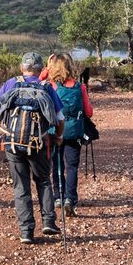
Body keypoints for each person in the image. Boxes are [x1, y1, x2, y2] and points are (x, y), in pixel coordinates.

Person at [0, 52, 64, 244]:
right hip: (40, 143)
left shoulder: (11, 83)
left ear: (22, 68)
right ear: (40, 71)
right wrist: (58, 137)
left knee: (20, 186)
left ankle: (26, 231)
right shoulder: (46, 87)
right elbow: (60, 118)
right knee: (43, 180)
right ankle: (48, 222)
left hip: (12, 143)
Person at [44, 53, 93, 217]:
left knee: (57, 164)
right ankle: (70, 199)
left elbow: (37, 82)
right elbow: (89, 112)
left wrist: (47, 66)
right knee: (72, 167)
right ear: (70, 66)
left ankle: (58, 196)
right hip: (75, 132)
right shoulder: (80, 87)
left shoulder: (51, 86)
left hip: (55, 131)